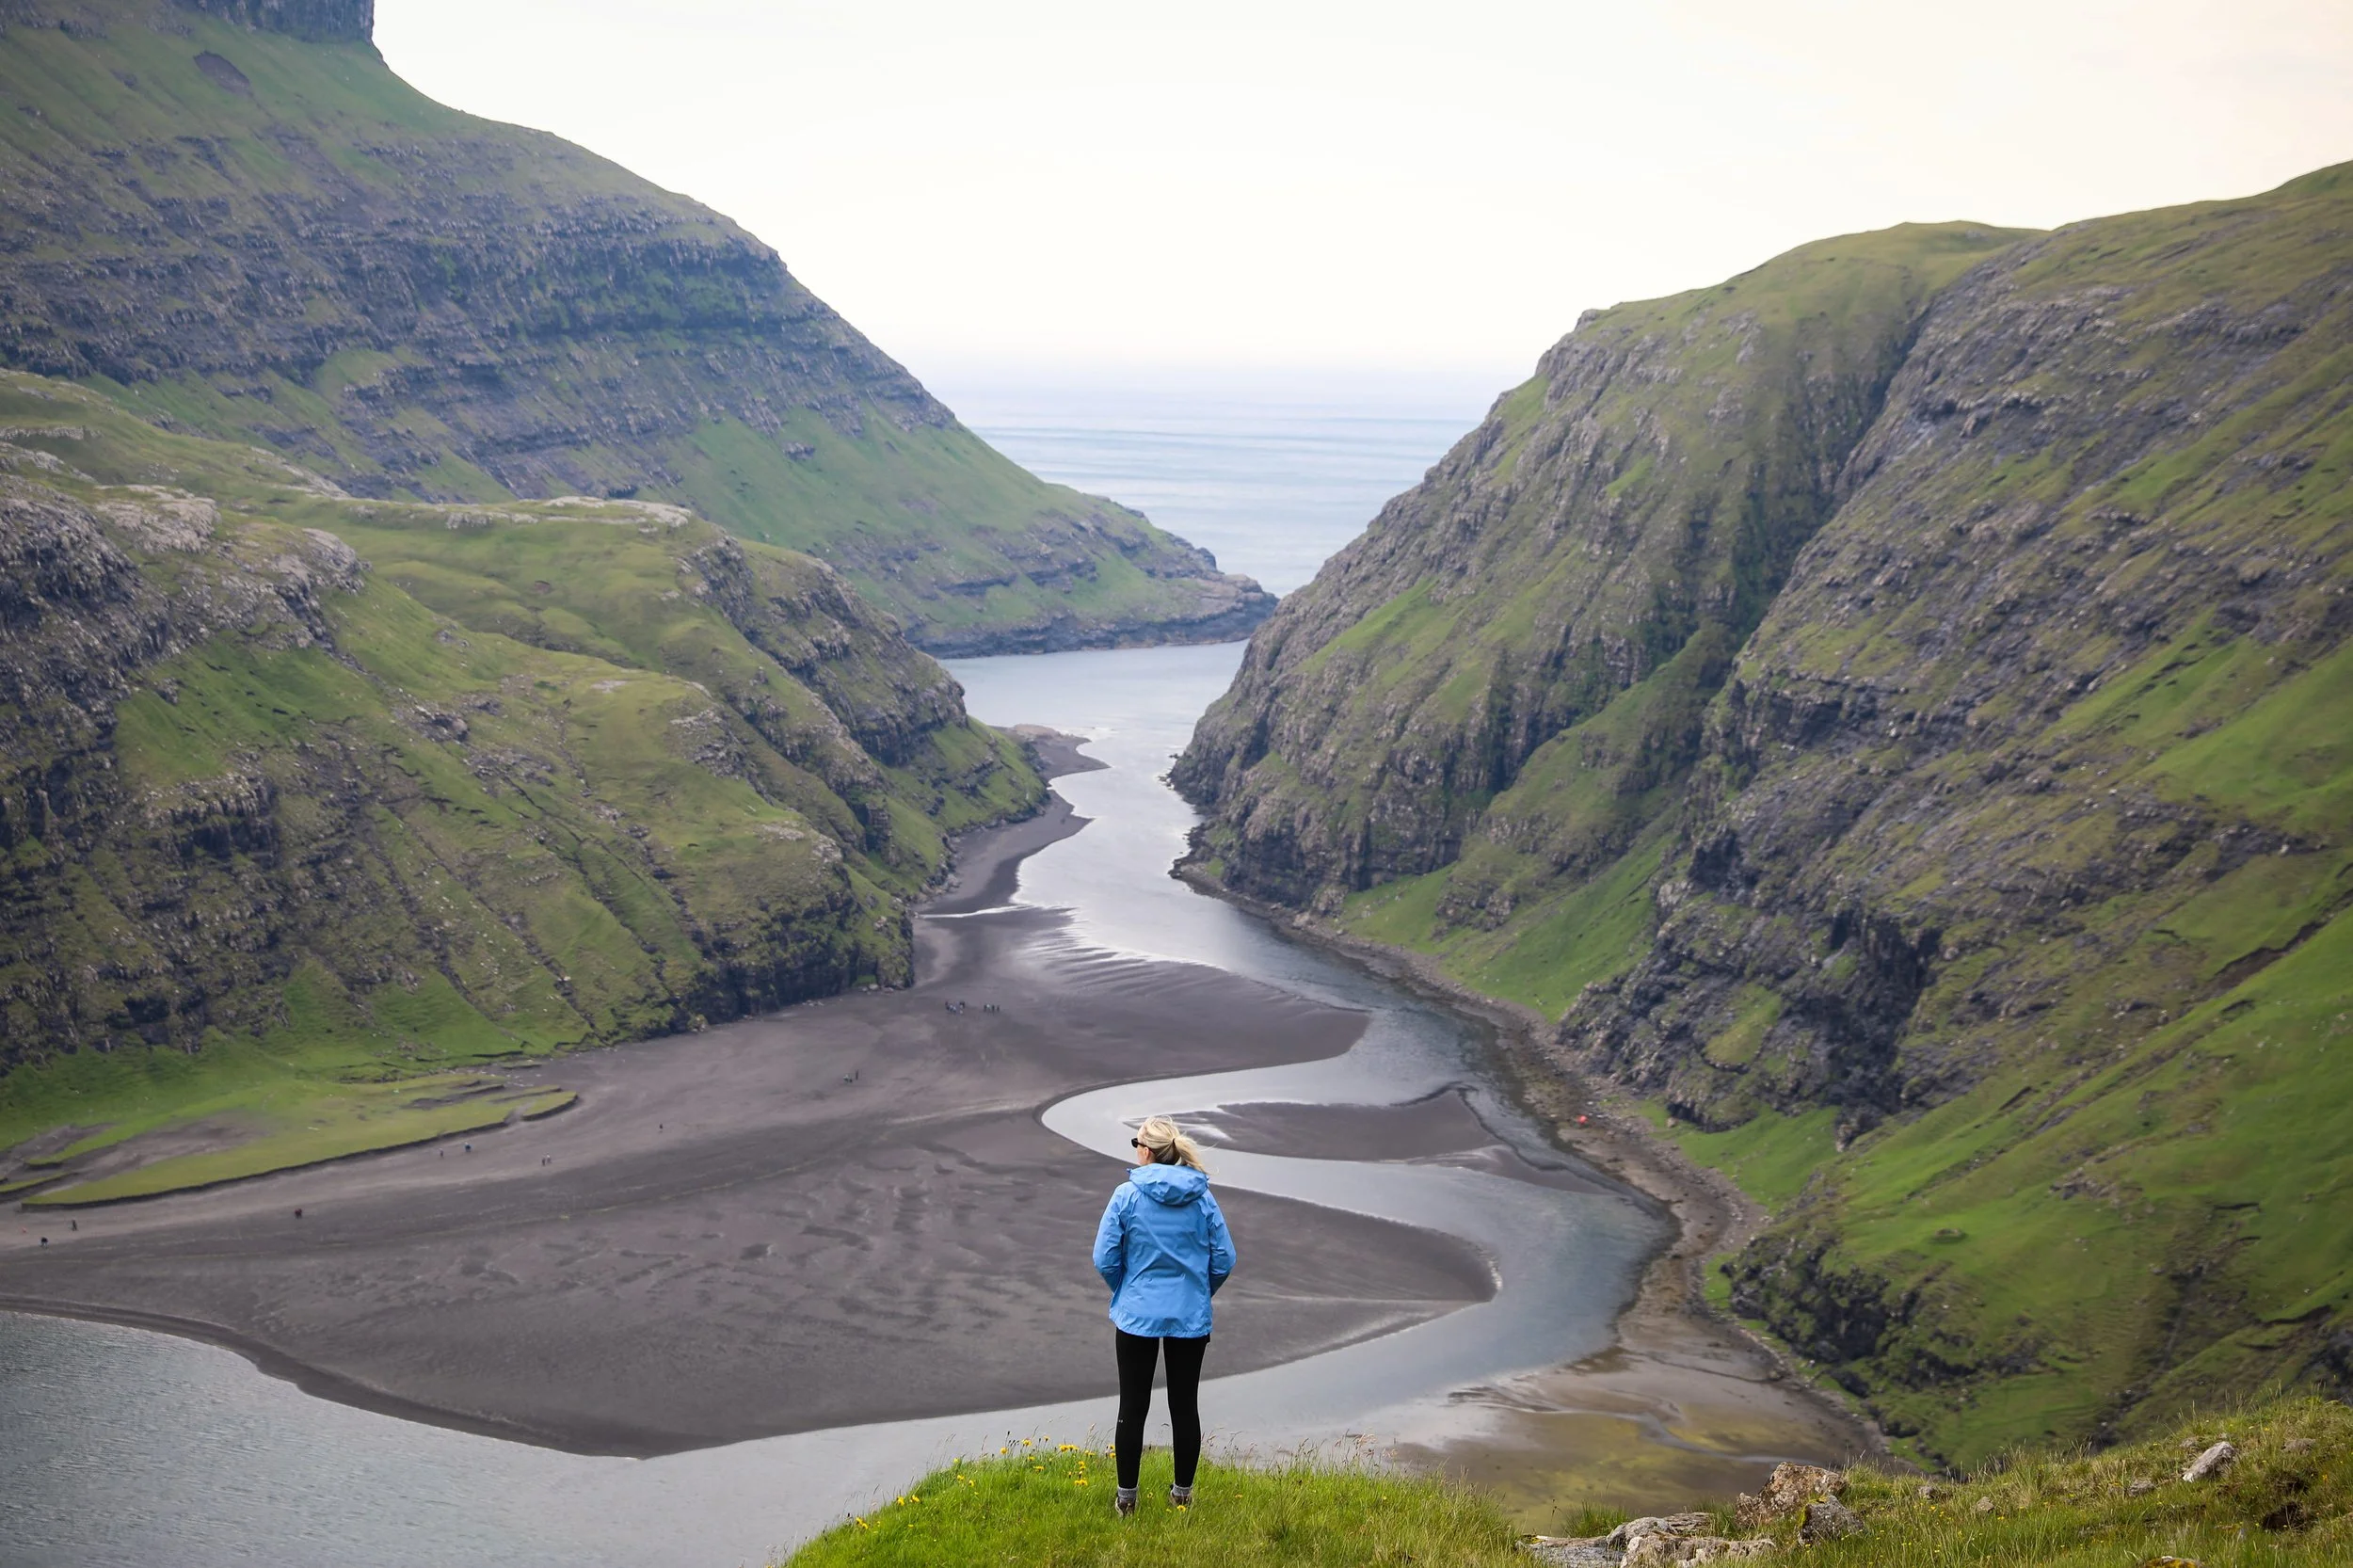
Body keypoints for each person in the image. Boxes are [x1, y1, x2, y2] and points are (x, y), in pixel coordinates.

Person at [1091, 1114, 1234, 1517]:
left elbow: (1104, 1258)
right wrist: (1199, 1293)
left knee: (1132, 1407)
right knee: (1185, 1406)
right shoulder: (1203, 1197)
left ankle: (1126, 1500)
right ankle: (1182, 1496)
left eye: (1136, 1143)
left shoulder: (1126, 1196)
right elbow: (1224, 1259)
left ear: (1146, 1151)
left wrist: (1125, 1290)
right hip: (1189, 1316)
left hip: (1136, 1315)